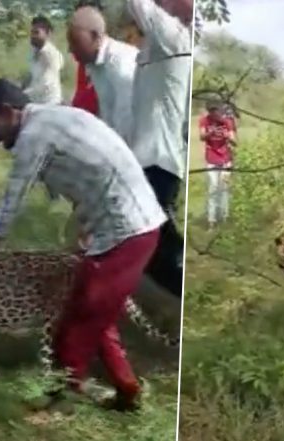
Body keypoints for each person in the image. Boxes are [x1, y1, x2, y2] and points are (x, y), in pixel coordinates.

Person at [0, 78, 167, 411]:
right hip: (124, 225)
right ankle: (127, 391)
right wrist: (86, 224)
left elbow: (7, 210)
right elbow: (89, 171)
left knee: (76, 321)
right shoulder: (51, 117)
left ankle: (62, 400)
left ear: (8, 112)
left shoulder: (34, 136)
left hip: (128, 230)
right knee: (96, 315)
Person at [126, 0, 192, 298]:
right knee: (154, 247)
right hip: (149, 164)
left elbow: (140, 6)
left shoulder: (174, 36)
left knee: (152, 252)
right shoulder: (154, 46)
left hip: (158, 165)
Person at [67, 6, 137, 143]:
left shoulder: (120, 66)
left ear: (94, 36)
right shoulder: (95, 65)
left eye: (75, 42)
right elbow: (107, 115)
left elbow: (127, 127)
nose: (70, 49)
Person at [199, 100, 236, 230]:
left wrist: (227, 136)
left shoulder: (227, 122)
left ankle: (224, 219)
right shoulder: (205, 121)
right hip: (211, 160)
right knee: (213, 188)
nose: (214, 113)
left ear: (220, 111)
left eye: (216, 110)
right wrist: (211, 132)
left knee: (224, 188)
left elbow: (234, 141)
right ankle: (211, 221)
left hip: (226, 160)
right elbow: (202, 136)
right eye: (211, 111)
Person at [23, 15, 64, 105]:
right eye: (32, 32)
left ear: (48, 33)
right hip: (35, 102)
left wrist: (23, 94)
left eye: (37, 32)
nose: (33, 36)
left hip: (50, 104)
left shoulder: (52, 55)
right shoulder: (33, 52)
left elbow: (46, 83)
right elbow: (31, 76)